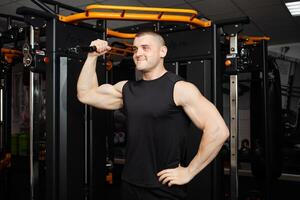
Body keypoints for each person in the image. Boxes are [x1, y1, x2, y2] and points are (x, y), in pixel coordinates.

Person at [77, 31, 229, 200]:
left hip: (164, 188)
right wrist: (92, 57)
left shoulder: (180, 88)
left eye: (145, 48)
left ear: (162, 52)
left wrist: (189, 171)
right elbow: (86, 94)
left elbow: (218, 130)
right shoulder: (127, 89)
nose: (138, 53)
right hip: (130, 184)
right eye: (136, 49)